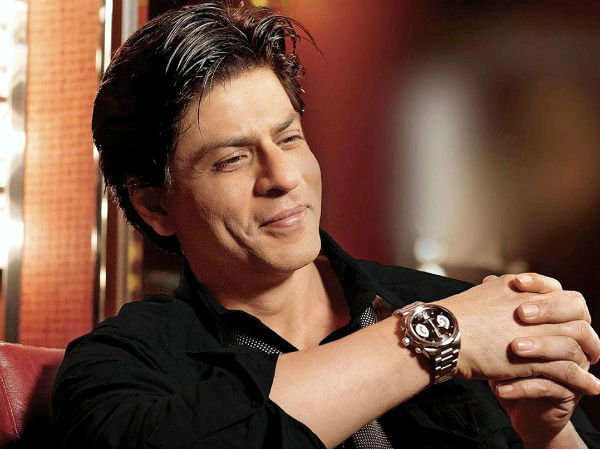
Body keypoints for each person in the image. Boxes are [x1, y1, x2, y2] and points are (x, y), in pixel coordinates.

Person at [52, 2, 600, 448]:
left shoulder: (454, 305)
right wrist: (434, 337)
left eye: (289, 138)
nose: (283, 177)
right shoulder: (119, 366)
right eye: (233, 159)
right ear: (155, 206)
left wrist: (546, 435)